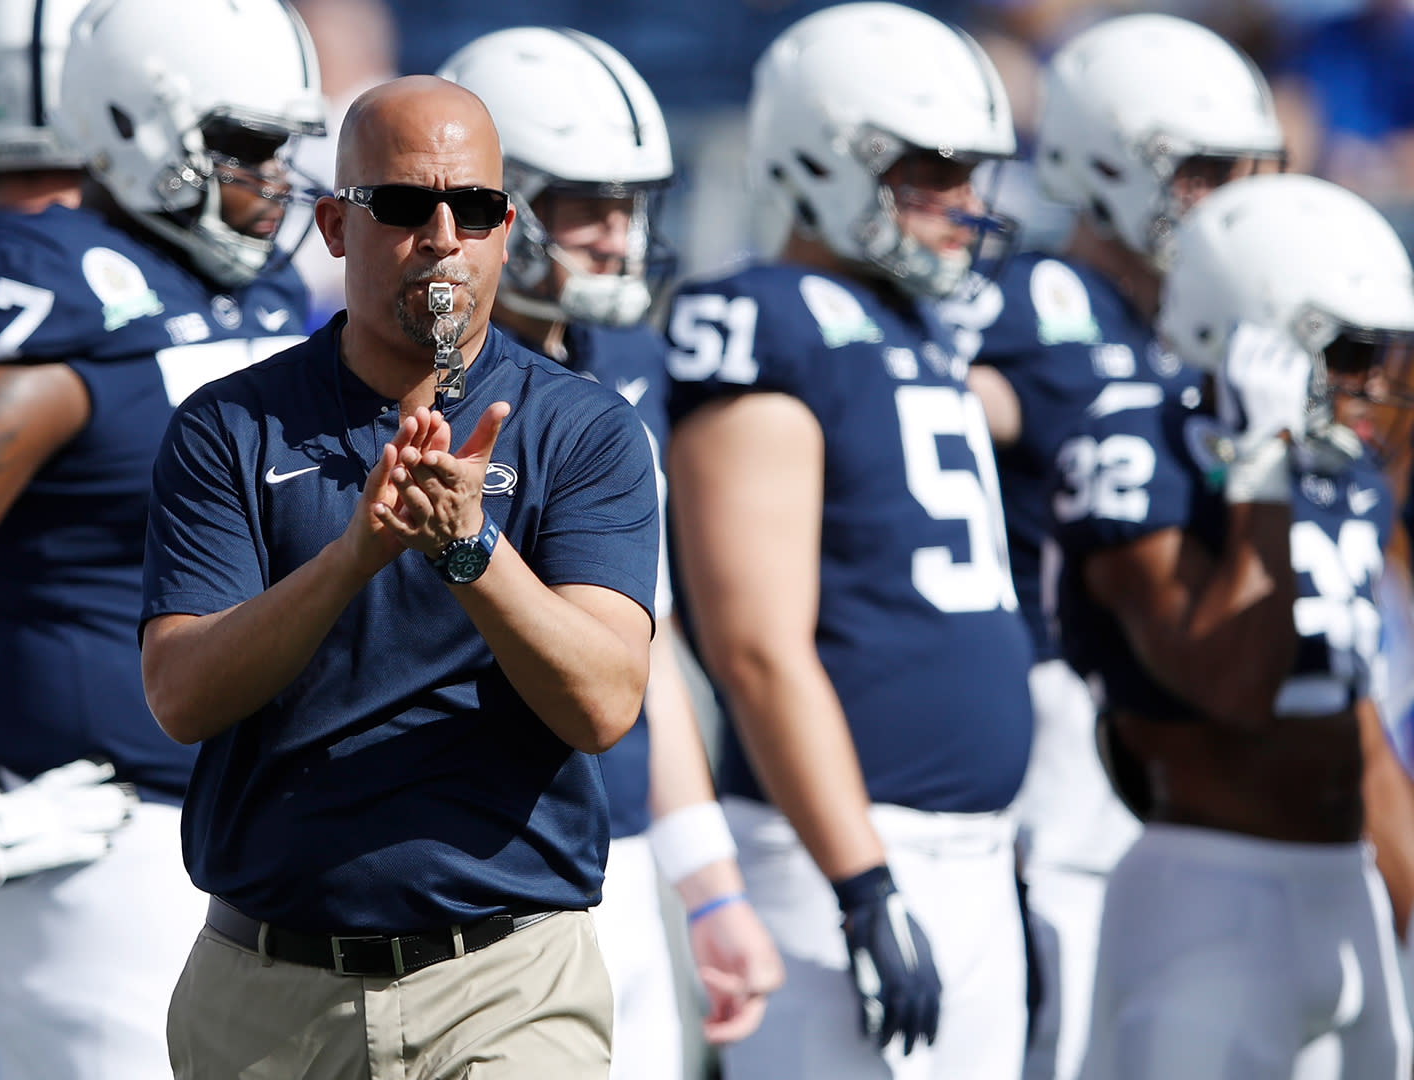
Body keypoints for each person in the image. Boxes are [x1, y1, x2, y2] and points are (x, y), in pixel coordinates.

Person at [140, 72, 657, 1080]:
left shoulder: (586, 429)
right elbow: (182, 693)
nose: (442, 236)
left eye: (473, 207)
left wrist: (471, 550)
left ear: (509, 228)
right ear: (336, 224)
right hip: (268, 984)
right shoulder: (227, 425)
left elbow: (603, 700)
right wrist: (352, 558)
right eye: (405, 206)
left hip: (507, 975)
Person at [0, 1, 321, 1076]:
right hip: (114, 840)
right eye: (246, 146)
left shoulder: (263, 285)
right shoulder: (60, 280)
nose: (275, 179)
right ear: (136, 126)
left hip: (267, 818)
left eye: (286, 148)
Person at [665, 4, 1034, 1078]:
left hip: (967, 855)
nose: (964, 204)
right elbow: (753, 648)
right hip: (840, 849)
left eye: (972, 173)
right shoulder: (766, 319)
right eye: (931, 171)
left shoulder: (909, 327)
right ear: (827, 158)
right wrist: (861, 882)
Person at [932, 15, 1285, 1079]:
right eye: (1203, 169)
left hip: (1191, 734)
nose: (1232, 196)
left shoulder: (1216, 317)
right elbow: (923, 424)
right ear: (1103, 159)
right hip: (1066, 732)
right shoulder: (1031, 305)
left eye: (1248, 169)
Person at [438, 26, 782, 1073]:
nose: (618, 234)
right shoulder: (413, 379)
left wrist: (707, 879)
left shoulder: (623, 366)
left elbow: (646, 642)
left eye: (631, 203)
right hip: (473, 866)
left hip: (614, 847)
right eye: (587, 201)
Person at [1062, 172, 1414, 1079]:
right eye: (1346, 354)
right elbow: (1233, 684)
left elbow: (1357, 726)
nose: (1371, 387)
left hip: (1348, 891)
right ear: (1256, 339)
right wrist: (1257, 475)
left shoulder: (1344, 480)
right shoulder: (1142, 446)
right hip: (1210, 898)